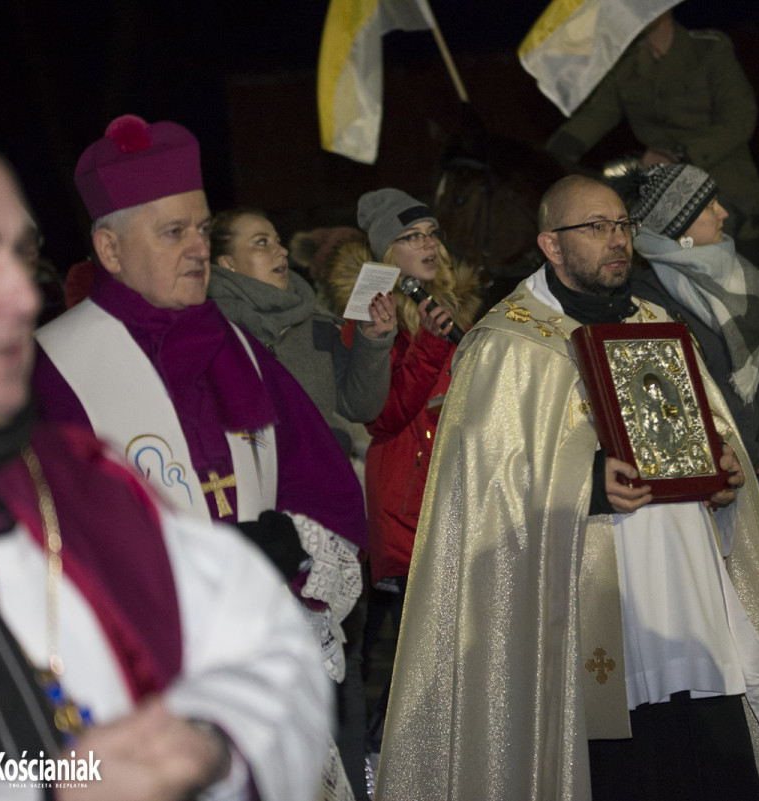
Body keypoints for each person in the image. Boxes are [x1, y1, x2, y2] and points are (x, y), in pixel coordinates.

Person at [374, 175, 759, 801]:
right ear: (550, 244)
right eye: (596, 227)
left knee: (711, 756)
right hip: (589, 605)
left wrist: (721, 472)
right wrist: (590, 485)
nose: (616, 241)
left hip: (687, 596)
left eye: (623, 226)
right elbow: (484, 491)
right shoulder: (507, 345)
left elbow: (704, 431)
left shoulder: (658, 322)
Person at [0, 80, 329, 801]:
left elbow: (266, 657)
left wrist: (211, 743)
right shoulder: (58, 377)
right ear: (108, 247)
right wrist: (73, 777)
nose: (18, 292)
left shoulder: (76, 476)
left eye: (18, 252)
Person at [30, 116, 367, 798]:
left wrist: (286, 546)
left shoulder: (240, 349)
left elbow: (326, 494)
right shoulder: (52, 370)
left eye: (202, 229)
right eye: (172, 231)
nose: (197, 249)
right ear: (110, 248)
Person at [324, 189, 482, 741]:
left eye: (432, 233)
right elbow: (383, 416)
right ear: (384, 253)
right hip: (409, 498)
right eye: (411, 237)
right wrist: (431, 347)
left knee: (461, 662)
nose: (428, 244)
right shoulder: (370, 314)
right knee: (404, 672)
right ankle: (386, 768)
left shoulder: (453, 308)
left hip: (459, 493)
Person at [614, 163, 759, 517]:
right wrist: (743, 450)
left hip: (754, 479)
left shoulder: (741, 276)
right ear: (680, 226)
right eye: (709, 206)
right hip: (705, 492)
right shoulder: (648, 300)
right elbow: (671, 402)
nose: (724, 211)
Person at [545, 9, 759, 265]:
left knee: (721, 260)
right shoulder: (626, 65)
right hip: (663, 190)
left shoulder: (709, 50)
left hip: (723, 181)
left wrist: (680, 155)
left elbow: (739, 119)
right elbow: (596, 116)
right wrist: (546, 158)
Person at [207, 207, 396, 451]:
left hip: (326, 474)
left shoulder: (317, 323)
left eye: (278, 241)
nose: (282, 251)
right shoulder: (210, 330)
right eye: (262, 242)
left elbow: (361, 407)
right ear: (228, 263)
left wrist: (371, 341)